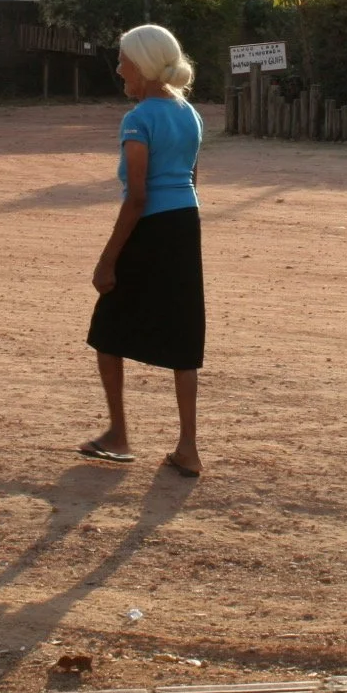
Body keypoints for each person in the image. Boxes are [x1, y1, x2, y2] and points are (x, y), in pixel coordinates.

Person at [78, 24, 207, 478]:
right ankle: (187, 447)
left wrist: (107, 258)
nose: (118, 69)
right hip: (184, 225)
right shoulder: (190, 113)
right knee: (184, 335)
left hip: (149, 225)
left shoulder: (138, 119)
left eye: (123, 61)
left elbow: (136, 197)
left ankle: (118, 434)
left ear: (144, 66)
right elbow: (192, 180)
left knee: (107, 327)